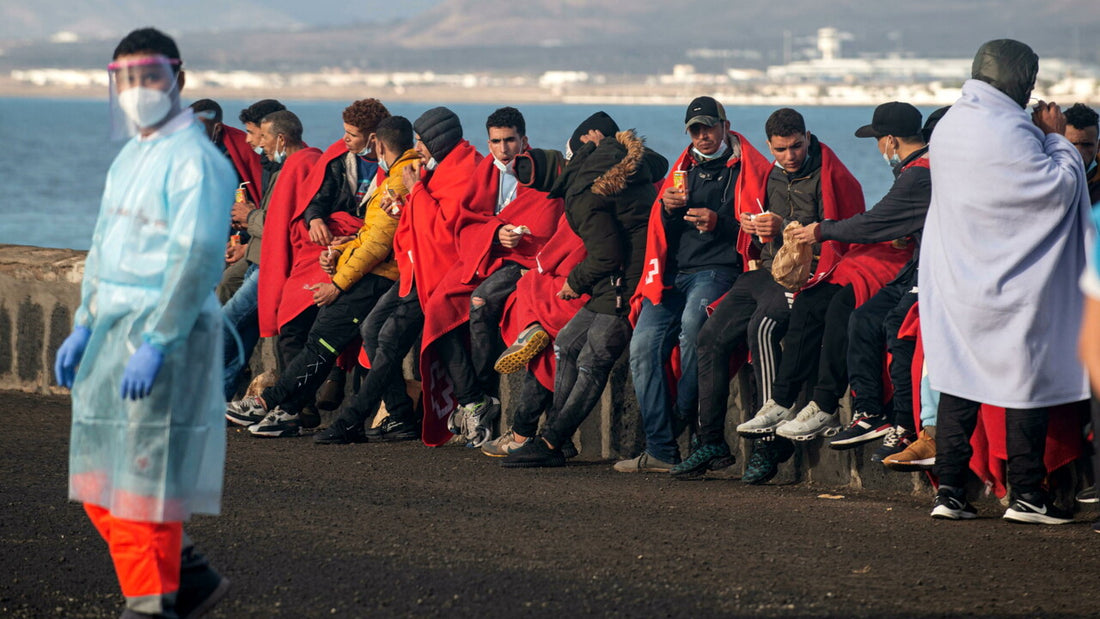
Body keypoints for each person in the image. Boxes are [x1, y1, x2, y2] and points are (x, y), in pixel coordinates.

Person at [53, 27, 235, 618]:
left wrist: (159, 339)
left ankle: (149, 605)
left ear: (177, 80)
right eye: (126, 79)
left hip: (169, 337)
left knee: (143, 487)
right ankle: (190, 577)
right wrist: (85, 322)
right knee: (100, 482)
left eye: (149, 77)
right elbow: (106, 244)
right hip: (112, 334)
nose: (137, 90)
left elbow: (197, 258)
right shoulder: (133, 155)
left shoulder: (195, 161)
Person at [921, 39, 1092, 523]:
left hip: (958, 279)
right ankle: (1026, 496)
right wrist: (1055, 136)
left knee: (958, 382)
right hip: (1014, 286)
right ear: (1019, 79)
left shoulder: (950, 125)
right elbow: (1054, 189)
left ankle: (950, 492)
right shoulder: (1011, 129)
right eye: (1030, 81)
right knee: (1024, 385)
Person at [743, 102, 929, 456]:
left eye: (878, 140)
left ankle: (838, 407)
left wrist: (819, 231)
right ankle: (784, 400)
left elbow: (871, 222)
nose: (878, 148)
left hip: (916, 269)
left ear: (890, 140)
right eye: (780, 148)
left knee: (850, 311)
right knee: (815, 301)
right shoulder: (913, 170)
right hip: (902, 261)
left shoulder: (917, 173)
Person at [689, 108, 863, 484]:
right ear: (770, 146)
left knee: (764, 327)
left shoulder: (831, 174)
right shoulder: (769, 174)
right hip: (769, 270)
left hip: (812, 276)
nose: (790, 156)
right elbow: (755, 226)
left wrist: (786, 226)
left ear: (807, 137)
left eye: (796, 146)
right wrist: (751, 227)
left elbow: (845, 230)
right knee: (708, 337)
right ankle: (710, 442)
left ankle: (771, 442)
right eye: (781, 149)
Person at [226, 116, 419, 438]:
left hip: (379, 275)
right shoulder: (393, 175)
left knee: (324, 339)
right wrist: (342, 250)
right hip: (374, 270)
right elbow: (371, 234)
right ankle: (395, 416)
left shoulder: (397, 180)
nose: (345, 139)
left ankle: (270, 403)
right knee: (351, 339)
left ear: (378, 143)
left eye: (352, 134)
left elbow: (378, 243)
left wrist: (337, 284)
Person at [501, 120, 671, 469]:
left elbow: (607, 256)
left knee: (592, 361)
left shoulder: (582, 195)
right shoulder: (611, 164)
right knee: (565, 342)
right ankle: (557, 441)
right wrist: (606, 144)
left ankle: (551, 440)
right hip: (616, 280)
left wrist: (573, 283)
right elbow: (657, 163)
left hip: (625, 284)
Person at [313, 107, 483, 445]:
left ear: (440, 140)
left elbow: (445, 228)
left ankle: (352, 420)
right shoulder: (437, 168)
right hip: (416, 269)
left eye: (422, 142)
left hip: (440, 275)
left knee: (395, 337)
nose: (417, 148)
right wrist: (404, 206)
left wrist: (415, 192)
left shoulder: (463, 171)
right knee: (374, 329)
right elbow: (421, 221)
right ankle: (406, 414)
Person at [624, 96, 771, 472]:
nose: (703, 136)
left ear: (725, 125)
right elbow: (660, 234)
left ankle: (680, 420)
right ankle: (660, 448)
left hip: (718, 271)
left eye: (709, 127)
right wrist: (667, 210)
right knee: (641, 347)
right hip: (674, 275)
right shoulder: (682, 170)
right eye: (695, 130)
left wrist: (719, 222)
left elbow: (757, 232)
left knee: (694, 328)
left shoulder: (748, 170)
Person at [420, 107, 563, 447]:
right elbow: (465, 222)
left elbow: (549, 221)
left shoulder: (541, 171)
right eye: (496, 142)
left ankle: (483, 396)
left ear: (524, 140)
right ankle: (472, 398)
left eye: (510, 140)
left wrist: (516, 238)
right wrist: (496, 234)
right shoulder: (484, 172)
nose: (503, 149)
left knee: (481, 302)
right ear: (489, 142)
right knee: (436, 306)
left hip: (524, 262)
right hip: (487, 256)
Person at [220, 110, 305, 400]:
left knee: (223, 324)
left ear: (280, 138)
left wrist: (250, 216)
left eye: (263, 136)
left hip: (269, 265)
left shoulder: (297, 168)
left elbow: (283, 224)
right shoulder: (279, 167)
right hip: (257, 259)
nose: (258, 143)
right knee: (242, 336)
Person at [1063, 103, 1100, 204]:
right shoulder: (1044, 179)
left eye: (1087, 145)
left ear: (1098, 146)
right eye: (1072, 145)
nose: (1079, 152)